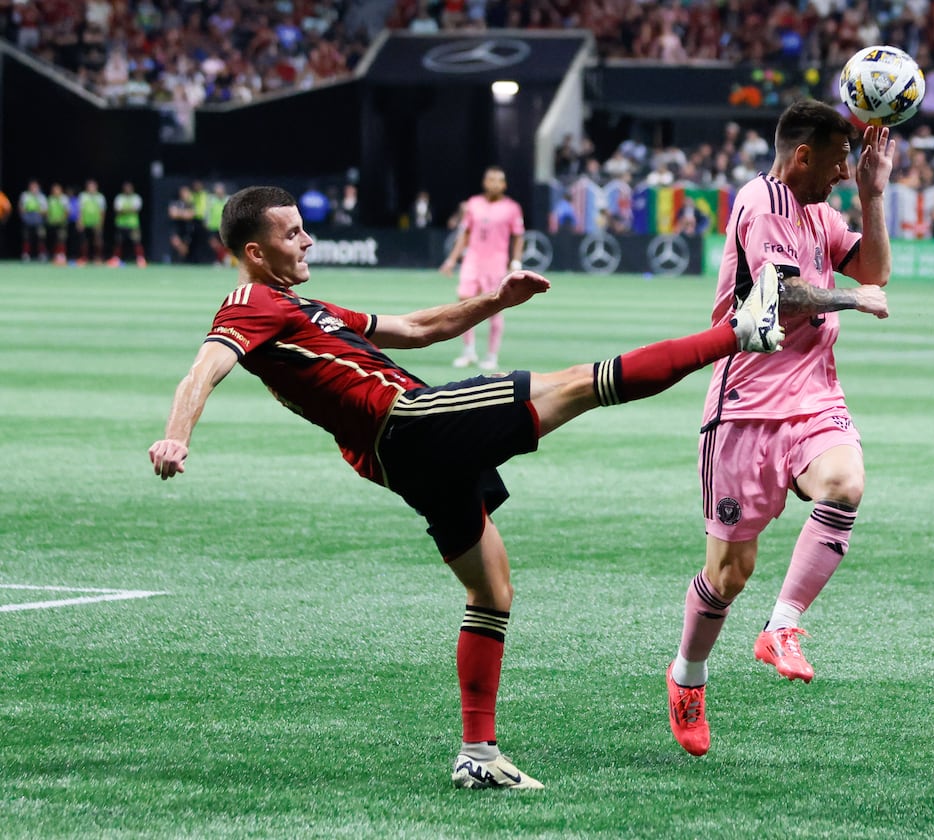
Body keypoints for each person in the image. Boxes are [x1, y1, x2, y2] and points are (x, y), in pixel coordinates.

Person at [147, 185, 784, 790]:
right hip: (410, 423)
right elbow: (204, 367)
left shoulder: (302, 307)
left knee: (491, 589)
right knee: (582, 384)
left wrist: (494, 302)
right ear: (255, 252)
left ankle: (478, 756)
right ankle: (742, 331)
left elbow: (420, 328)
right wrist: (178, 435)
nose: (308, 240)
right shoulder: (248, 303)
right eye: (293, 233)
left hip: (402, 457)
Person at [666, 100, 892, 758]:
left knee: (845, 482)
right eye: (840, 160)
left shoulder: (822, 212)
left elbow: (873, 269)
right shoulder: (760, 201)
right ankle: (688, 676)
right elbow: (781, 292)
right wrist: (850, 298)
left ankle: (782, 627)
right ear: (803, 155)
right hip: (743, 407)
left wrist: (875, 197)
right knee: (730, 573)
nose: (845, 173)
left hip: (814, 396)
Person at [439, 166, 526, 371]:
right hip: (472, 260)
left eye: (498, 180)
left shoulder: (512, 208)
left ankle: (492, 356)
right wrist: (452, 259)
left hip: (496, 262)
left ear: (504, 185)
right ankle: (468, 351)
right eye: (490, 179)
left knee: (495, 307)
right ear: (484, 182)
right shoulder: (473, 204)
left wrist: (516, 261)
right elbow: (465, 234)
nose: (494, 183)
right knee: (464, 303)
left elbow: (519, 237)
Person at [109, 181, 146, 267]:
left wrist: (124, 210)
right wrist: (129, 210)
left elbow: (136, 209)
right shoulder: (119, 197)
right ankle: (116, 259)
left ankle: (140, 259)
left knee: (137, 242)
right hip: (121, 224)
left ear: (132, 189)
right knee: (118, 242)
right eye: (126, 188)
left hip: (133, 225)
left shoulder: (136, 197)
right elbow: (117, 210)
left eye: (129, 188)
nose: (127, 189)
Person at [77, 179, 108, 265]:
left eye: (93, 186)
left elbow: (102, 212)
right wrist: (80, 221)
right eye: (90, 186)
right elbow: (80, 210)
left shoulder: (100, 197)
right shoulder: (82, 196)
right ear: (87, 187)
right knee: (84, 241)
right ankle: (84, 258)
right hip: (85, 222)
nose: (91, 188)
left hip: (96, 222)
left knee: (98, 241)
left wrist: (100, 223)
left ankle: (98, 258)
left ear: (96, 187)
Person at [18, 179, 48, 263]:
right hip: (27, 220)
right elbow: (21, 207)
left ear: (38, 187)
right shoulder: (25, 195)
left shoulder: (41, 197)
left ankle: (42, 254)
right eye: (32, 186)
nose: (33, 188)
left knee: (41, 238)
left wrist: (38, 214)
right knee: (26, 238)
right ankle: (25, 254)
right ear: (29, 187)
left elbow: (45, 210)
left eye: (35, 187)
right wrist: (25, 215)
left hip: (38, 221)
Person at [168, 185, 197, 262]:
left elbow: (191, 215)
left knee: (185, 250)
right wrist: (184, 214)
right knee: (176, 243)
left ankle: (181, 262)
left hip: (186, 229)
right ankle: (175, 261)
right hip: (176, 228)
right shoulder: (175, 202)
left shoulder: (190, 204)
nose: (185, 194)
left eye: (187, 192)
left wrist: (179, 213)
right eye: (184, 192)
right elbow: (172, 214)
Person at [45, 183, 72, 265]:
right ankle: (55, 256)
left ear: (61, 190)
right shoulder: (50, 199)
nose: (56, 191)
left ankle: (62, 255)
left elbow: (67, 212)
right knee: (53, 240)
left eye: (57, 189)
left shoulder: (64, 199)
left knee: (61, 239)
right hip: (52, 223)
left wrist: (61, 219)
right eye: (54, 190)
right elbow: (47, 211)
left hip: (62, 224)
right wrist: (49, 218)